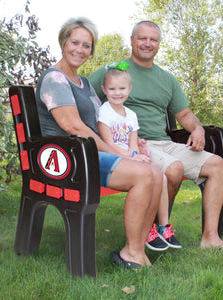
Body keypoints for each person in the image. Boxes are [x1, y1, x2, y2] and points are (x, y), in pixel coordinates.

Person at [88, 20, 223, 254]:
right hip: (136, 145)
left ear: (159, 44)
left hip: (165, 142)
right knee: (174, 169)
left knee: (217, 165)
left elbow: (185, 113)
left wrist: (197, 129)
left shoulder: (166, 78)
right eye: (142, 38)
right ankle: (154, 228)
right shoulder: (115, 70)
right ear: (132, 41)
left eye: (153, 39)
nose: (147, 43)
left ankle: (210, 238)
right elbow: (83, 92)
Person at [35, 17, 165, 269]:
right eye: (75, 42)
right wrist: (120, 153)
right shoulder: (55, 78)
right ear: (64, 42)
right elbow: (73, 126)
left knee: (156, 174)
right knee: (142, 175)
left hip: (90, 152)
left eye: (86, 46)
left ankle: (135, 249)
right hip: (69, 157)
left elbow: (103, 122)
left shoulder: (83, 83)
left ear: (91, 51)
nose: (80, 50)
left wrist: (133, 144)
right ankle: (134, 252)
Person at [98, 61, 181, 251]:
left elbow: (133, 141)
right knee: (149, 175)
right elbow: (108, 143)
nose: (117, 93)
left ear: (129, 89)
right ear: (104, 89)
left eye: (122, 88)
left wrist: (136, 154)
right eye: (112, 88)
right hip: (114, 157)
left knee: (160, 175)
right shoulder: (105, 111)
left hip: (129, 156)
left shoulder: (131, 115)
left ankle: (163, 227)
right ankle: (148, 229)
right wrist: (131, 157)